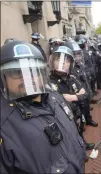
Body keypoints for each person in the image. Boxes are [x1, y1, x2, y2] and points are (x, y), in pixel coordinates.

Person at [0, 41, 86, 173]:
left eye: (33, 71)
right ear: (3, 78)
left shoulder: (54, 97)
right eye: (17, 72)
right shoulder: (4, 125)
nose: (27, 79)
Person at [49, 46, 95, 154]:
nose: (63, 63)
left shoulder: (72, 78)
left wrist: (71, 97)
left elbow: (86, 94)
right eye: (58, 59)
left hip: (76, 114)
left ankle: (82, 144)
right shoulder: (49, 82)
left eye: (66, 60)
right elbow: (57, 100)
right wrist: (77, 96)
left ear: (71, 64)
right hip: (62, 118)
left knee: (79, 131)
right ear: (52, 61)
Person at [63, 41, 98, 127]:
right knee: (79, 114)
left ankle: (88, 119)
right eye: (75, 55)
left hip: (84, 92)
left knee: (86, 107)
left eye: (78, 54)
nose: (78, 57)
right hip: (76, 96)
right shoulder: (68, 69)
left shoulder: (79, 65)